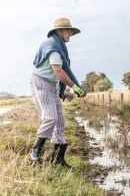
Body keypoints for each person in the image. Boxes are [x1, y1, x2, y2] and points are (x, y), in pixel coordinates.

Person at [29, 18, 87, 168]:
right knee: (50, 118)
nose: (70, 34)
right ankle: (34, 152)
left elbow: (58, 73)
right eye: (68, 31)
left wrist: (61, 89)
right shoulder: (53, 46)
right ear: (59, 31)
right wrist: (74, 87)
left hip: (51, 84)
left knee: (60, 121)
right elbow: (58, 71)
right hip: (41, 83)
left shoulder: (59, 46)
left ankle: (57, 158)